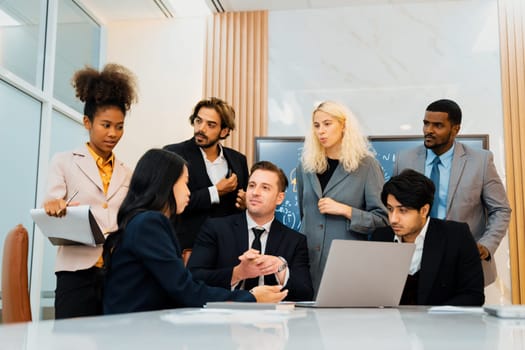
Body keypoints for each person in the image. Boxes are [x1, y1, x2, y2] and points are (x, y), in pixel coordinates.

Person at [103, 149, 287, 314]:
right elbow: (185, 289)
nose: (189, 192)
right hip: (133, 331)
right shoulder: (150, 223)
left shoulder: (143, 221)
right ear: (167, 184)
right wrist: (251, 298)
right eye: (185, 183)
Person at [42, 64, 137, 319]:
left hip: (116, 273)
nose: (113, 133)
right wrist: (53, 206)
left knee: (112, 340)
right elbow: (52, 202)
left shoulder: (127, 173)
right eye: (106, 125)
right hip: (75, 272)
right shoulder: (63, 161)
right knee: (70, 341)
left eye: (119, 126)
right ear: (87, 122)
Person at [393, 99, 511, 285]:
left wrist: (486, 246)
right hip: (413, 262)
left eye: (438, 125)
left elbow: (501, 210)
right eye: (426, 123)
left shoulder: (480, 161)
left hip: (462, 262)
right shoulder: (404, 159)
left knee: (462, 314)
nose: (428, 130)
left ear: (455, 129)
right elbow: (395, 207)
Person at [188, 161, 314, 301]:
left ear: (279, 198)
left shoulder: (295, 240)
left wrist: (281, 269)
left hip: (274, 319)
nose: (255, 192)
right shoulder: (215, 229)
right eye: (252, 185)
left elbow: (305, 293)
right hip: (226, 315)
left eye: (265, 188)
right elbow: (193, 278)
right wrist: (237, 273)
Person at [296, 101, 388, 293]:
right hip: (306, 262)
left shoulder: (367, 166)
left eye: (327, 124)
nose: (321, 131)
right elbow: (304, 215)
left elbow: (383, 218)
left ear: (344, 125)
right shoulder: (305, 166)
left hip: (346, 263)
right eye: (316, 125)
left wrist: (346, 210)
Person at [371, 169, 484, 306]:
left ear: (424, 210)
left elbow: (473, 295)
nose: (393, 219)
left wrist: (435, 316)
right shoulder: (381, 237)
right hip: (392, 324)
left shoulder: (456, 236)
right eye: (390, 209)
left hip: (439, 324)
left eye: (403, 210)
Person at [164, 97, 249, 249]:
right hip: (186, 250)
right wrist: (215, 192)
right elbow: (169, 204)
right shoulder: (173, 154)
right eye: (198, 121)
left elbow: (241, 208)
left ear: (224, 131)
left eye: (210, 125)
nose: (201, 129)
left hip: (226, 249)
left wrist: (245, 205)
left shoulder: (238, 160)